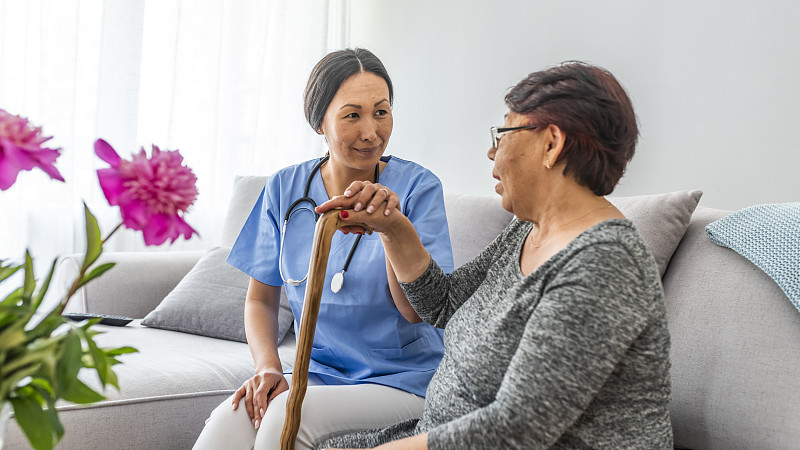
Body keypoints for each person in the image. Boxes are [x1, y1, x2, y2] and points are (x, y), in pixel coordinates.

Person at [314, 62, 673, 449]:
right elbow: (443, 304)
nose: (491, 151)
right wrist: (393, 227)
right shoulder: (527, 230)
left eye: (503, 133)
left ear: (551, 144)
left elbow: (518, 429)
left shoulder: (604, 264)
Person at [193, 48, 454, 450]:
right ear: (319, 122)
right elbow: (260, 300)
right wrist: (268, 368)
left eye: (381, 112)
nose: (371, 132)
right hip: (314, 374)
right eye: (353, 115)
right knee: (230, 420)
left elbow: (418, 310)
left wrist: (389, 227)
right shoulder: (284, 188)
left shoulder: (418, 188)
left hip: (403, 380)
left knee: (286, 418)